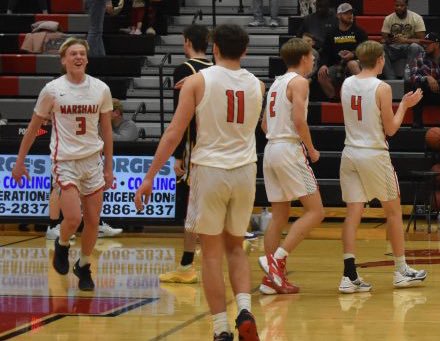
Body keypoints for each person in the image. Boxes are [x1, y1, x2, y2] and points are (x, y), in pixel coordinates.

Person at [134, 24, 262, 340]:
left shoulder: (196, 82)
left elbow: (174, 133)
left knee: (212, 254)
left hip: (210, 170)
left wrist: (150, 176)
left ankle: (220, 328)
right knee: (236, 248)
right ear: (245, 50)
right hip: (245, 171)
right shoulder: (258, 84)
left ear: (214, 47)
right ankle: (245, 310)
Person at [12, 38, 115, 291]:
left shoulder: (101, 89)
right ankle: (62, 243)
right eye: (73, 54)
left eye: (82, 53)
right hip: (65, 161)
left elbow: (107, 130)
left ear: (87, 59)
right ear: (63, 60)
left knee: (93, 221)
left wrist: (109, 167)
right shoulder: (52, 90)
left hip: (92, 160)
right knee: (73, 218)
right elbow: (33, 128)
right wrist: (20, 161)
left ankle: (84, 265)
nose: (78, 57)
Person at [337, 41, 427, 293]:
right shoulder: (382, 87)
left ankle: (348, 275)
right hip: (374, 154)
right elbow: (391, 129)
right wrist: (405, 106)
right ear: (379, 60)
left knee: (352, 214)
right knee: (394, 212)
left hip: (350, 152)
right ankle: (401, 270)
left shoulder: (346, 83)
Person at [258, 38, 325, 295]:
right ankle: (276, 261)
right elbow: (299, 120)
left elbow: (264, 124)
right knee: (316, 211)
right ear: (304, 58)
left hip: (271, 149)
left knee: (279, 216)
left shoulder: (276, 83)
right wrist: (312, 149)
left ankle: (271, 280)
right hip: (288, 150)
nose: (313, 59)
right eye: (311, 55)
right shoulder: (299, 82)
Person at [159, 24, 212, 285]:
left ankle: (187, 265)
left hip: (195, 146)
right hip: (218, 144)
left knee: (192, 207)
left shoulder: (185, 70)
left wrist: (178, 153)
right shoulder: (217, 69)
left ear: (188, 42)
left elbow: (180, 117)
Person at [316, 2, 368, 100]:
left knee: (351, 64)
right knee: (321, 74)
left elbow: (366, 50)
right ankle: (334, 99)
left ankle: (365, 94)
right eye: (346, 13)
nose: (350, 15)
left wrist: (353, 54)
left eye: (351, 13)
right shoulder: (331, 33)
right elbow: (325, 52)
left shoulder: (360, 32)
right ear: (338, 15)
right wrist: (323, 65)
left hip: (358, 63)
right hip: (337, 65)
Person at [380, 0, 426, 80]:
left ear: (407, 6)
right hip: (394, 48)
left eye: (402, 6)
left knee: (415, 47)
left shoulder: (416, 18)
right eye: (397, 5)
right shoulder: (388, 18)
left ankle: (407, 78)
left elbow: (422, 40)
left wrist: (405, 41)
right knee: (380, 48)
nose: (399, 8)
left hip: (409, 48)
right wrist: (390, 40)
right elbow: (384, 39)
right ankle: (391, 79)